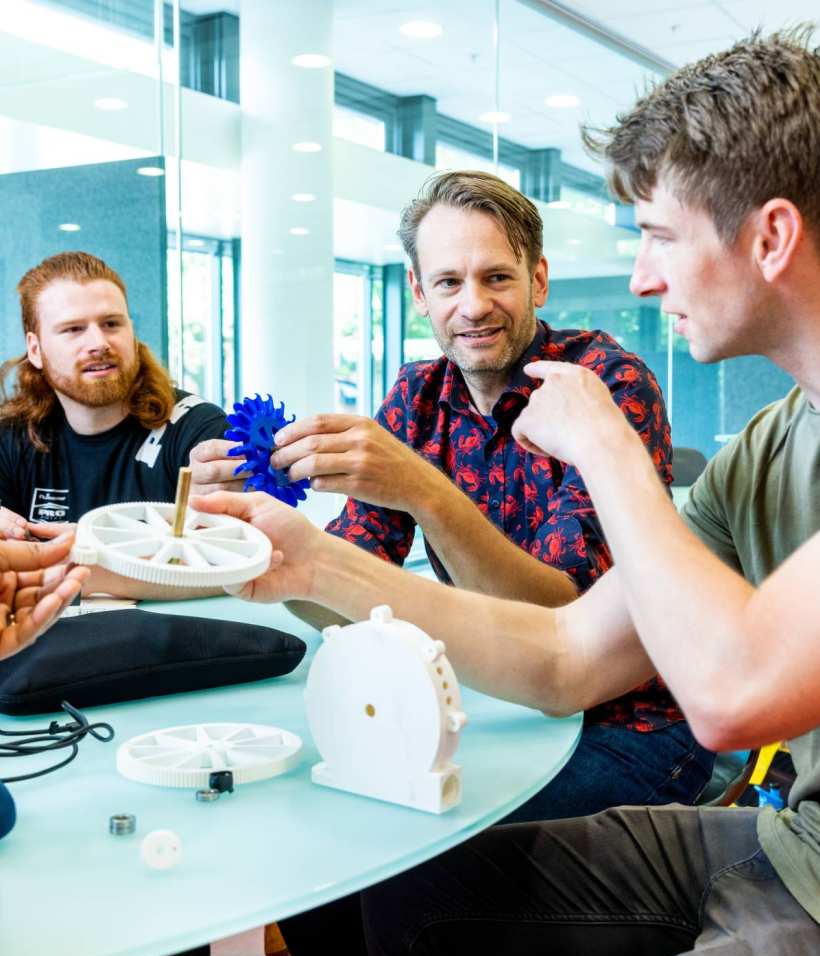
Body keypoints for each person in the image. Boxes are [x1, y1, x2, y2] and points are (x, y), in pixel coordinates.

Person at [194, 27, 820, 956]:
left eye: (660, 237)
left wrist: (609, 453)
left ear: (771, 237)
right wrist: (305, 559)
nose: (643, 276)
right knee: (399, 889)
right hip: (801, 847)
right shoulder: (768, 445)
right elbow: (563, 656)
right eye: (445, 282)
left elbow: (730, 697)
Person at [193, 171, 713, 825]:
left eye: (496, 277)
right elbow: (346, 604)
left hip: (632, 725)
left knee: (426, 853)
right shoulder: (417, 399)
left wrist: (426, 493)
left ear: (538, 280)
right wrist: (250, 539)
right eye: (448, 282)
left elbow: (568, 631)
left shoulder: (603, 386)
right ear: (417, 291)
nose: (472, 306)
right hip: (487, 703)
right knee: (330, 819)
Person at [0, 251, 230, 599]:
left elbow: (232, 568)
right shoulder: (12, 435)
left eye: (111, 323)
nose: (99, 343)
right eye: (73, 329)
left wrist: (60, 571)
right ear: (35, 348)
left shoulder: (195, 428)